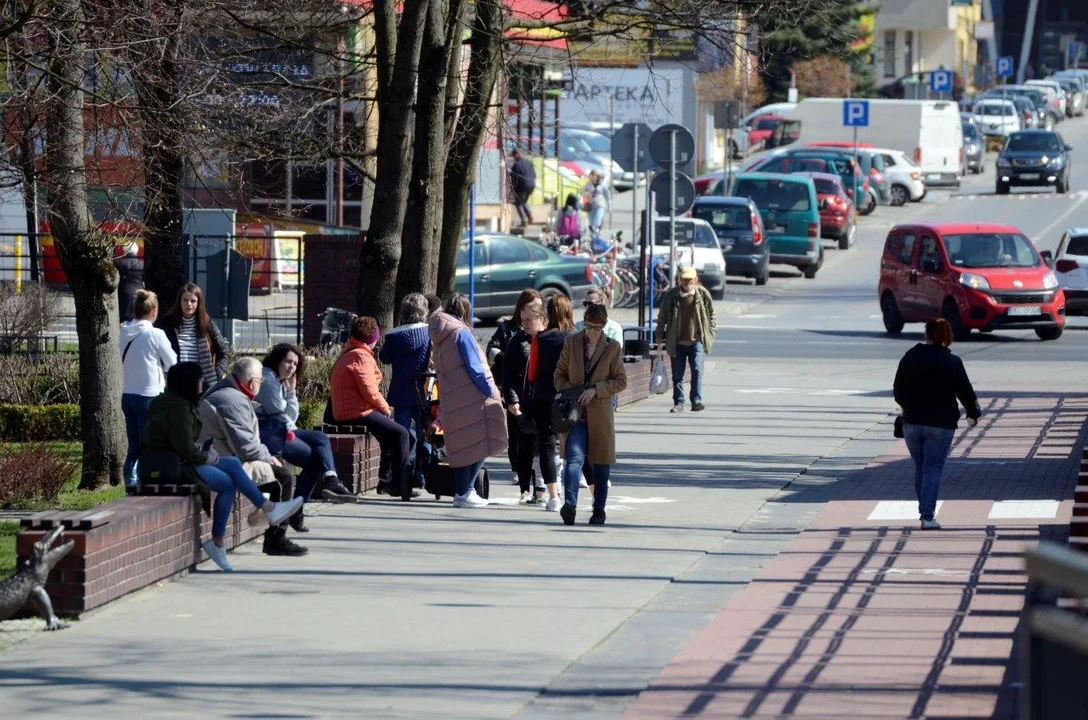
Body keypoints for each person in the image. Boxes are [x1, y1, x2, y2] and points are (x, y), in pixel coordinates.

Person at [143, 362, 304, 571]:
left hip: (182, 461)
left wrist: (210, 456)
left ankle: (259, 515)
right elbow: (186, 449)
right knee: (227, 482)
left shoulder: (179, 403)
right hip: (174, 467)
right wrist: (210, 457)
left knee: (233, 465)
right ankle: (224, 538)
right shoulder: (178, 409)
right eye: (199, 380)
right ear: (188, 382)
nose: (203, 383)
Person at [199, 357, 309, 556]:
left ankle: (267, 518)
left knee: (275, 470)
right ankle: (276, 538)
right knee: (282, 476)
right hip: (222, 461)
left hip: (220, 456)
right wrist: (266, 456)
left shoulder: (229, 392)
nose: (261, 384)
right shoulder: (232, 399)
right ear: (251, 383)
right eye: (260, 381)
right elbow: (245, 446)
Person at [893, 318, 981, 530]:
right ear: (947, 336)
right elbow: (965, 392)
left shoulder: (910, 357)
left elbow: (897, 390)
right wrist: (973, 412)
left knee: (921, 467)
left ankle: (924, 511)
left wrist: (909, 406)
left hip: (912, 423)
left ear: (927, 334)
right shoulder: (952, 362)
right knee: (933, 469)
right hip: (941, 424)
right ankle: (927, 516)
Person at [257, 343, 356, 524]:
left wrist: (291, 391)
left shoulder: (278, 382)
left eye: (295, 364)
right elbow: (280, 416)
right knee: (317, 456)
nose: (292, 367)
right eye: (288, 362)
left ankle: (328, 483)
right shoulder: (268, 380)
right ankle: (303, 506)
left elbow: (291, 417)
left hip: (281, 430)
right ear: (277, 359)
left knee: (320, 441)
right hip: (270, 434)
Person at [428, 295, 508, 508]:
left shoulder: (440, 333)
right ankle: (466, 491)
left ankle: (462, 491)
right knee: (484, 441)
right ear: (465, 311)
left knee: (463, 445)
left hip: (453, 396)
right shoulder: (461, 333)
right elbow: (475, 367)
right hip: (472, 396)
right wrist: (490, 391)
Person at [555, 303, 627, 526]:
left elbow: (620, 381)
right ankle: (570, 505)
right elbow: (558, 376)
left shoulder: (612, 347)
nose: (592, 333)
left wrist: (596, 390)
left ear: (604, 327)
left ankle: (599, 510)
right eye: (588, 327)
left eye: (597, 328)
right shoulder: (572, 342)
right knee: (574, 458)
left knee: (600, 462)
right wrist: (574, 392)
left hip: (600, 413)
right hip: (575, 413)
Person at [330, 316, 413, 497]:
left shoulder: (350, 351)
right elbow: (370, 391)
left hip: (351, 409)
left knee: (389, 438)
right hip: (357, 412)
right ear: (373, 339)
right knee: (402, 434)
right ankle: (401, 486)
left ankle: (385, 483)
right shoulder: (360, 357)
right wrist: (386, 409)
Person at [120, 289, 177, 491]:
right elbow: (172, 362)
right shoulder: (155, 334)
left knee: (133, 446)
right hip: (149, 395)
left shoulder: (124, 330)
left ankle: (130, 485)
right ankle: (145, 485)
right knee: (149, 446)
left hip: (128, 395)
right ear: (153, 310)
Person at [487, 289, 543, 485]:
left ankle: (535, 473)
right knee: (516, 430)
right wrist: (507, 358)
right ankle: (516, 468)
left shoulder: (543, 331)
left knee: (534, 433)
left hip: (534, 390)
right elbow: (491, 350)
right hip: (514, 386)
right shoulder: (507, 329)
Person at [526, 295, 576, 511]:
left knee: (547, 445)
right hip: (570, 396)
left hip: (544, 396)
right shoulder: (576, 337)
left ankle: (553, 496)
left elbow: (531, 372)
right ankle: (586, 492)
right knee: (575, 443)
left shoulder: (542, 338)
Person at [379, 294, 433, 489]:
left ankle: (402, 475)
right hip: (424, 391)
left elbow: (384, 358)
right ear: (424, 312)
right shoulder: (429, 333)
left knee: (403, 434)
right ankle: (422, 473)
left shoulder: (394, 335)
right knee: (425, 432)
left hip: (401, 391)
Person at [504, 296, 548, 504]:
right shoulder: (517, 341)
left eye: (528, 320)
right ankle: (524, 487)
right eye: (522, 320)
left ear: (542, 319)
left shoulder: (549, 340)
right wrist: (512, 400)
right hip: (522, 402)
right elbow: (508, 374)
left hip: (542, 400)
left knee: (544, 446)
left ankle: (543, 487)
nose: (523, 325)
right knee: (524, 447)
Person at [655, 266, 717, 413]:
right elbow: (662, 316)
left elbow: (711, 314)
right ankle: (679, 402)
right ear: (680, 279)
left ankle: (696, 401)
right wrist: (659, 334)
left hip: (696, 341)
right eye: (685, 279)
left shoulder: (702, 295)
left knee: (696, 369)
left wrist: (711, 331)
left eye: (690, 279)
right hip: (677, 342)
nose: (687, 282)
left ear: (695, 279)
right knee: (677, 374)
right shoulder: (671, 296)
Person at [158, 283, 230, 391]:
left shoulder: (207, 324)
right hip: (175, 384)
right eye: (185, 300)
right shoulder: (167, 324)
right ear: (179, 302)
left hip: (202, 386)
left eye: (193, 301)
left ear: (199, 303)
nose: (189, 304)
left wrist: (217, 374)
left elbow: (225, 353)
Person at [114, 242, 144, 323]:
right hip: (138, 295)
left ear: (124, 251)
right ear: (136, 251)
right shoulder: (141, 264)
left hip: (122, 294)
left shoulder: (119, 263)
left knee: (122, 321)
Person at [510, 150, 537, 227]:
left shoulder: (516, 165)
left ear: (517, 154)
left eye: (513, 156)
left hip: (521, 187)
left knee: (518, 204)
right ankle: (529, 217)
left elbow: (515, 178)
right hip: (531, 186)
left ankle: (524, 221)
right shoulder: (529, 163)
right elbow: (534, 175)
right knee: (523, 202)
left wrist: (513, 188)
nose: (513, 158)